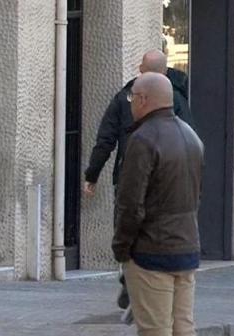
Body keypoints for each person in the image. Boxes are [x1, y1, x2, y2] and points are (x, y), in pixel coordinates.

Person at [113, 72, 205, 336]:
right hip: (186, 250)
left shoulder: (143, 139)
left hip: (151, 253)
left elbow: (130, 205)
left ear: (146, 100)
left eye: (134, 96)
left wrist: (122, 248)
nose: (131, 102)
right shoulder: (191, 136)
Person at [84, 50, 195, 312]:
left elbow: (105, 139)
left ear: (141, 70)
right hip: (169, 184)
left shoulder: (126, 98)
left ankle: (132, 278)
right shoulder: (178, 100)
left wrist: (92, 175)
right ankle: (143, 285)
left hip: (128, 178)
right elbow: (192, 143)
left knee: (129, 225)